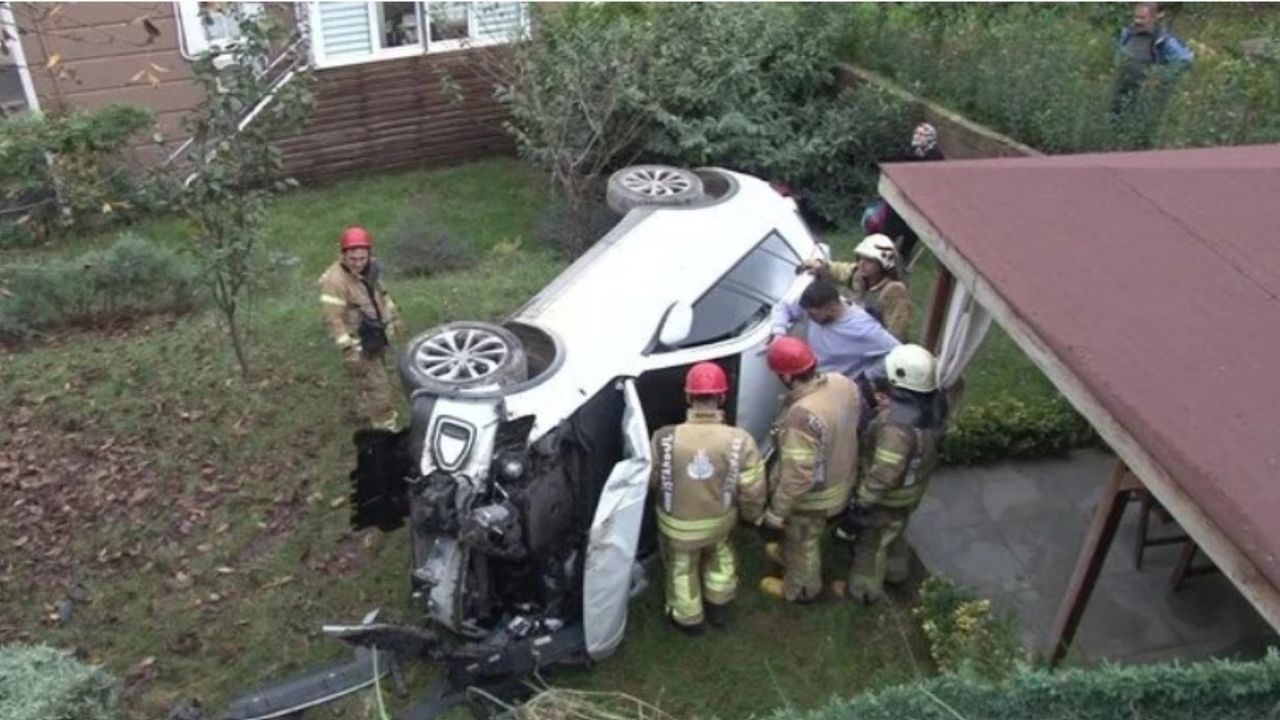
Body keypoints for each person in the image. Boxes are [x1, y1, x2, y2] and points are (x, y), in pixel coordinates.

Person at [649, 362, 767, 633]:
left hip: (676, 526)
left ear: (689, 397)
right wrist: (752, 516)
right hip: (719, 523)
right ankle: (719, 607)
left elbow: (653, 480)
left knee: (681, 568)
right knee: (721, 558)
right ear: (722, 397)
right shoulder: (739, 439)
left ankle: (688, 619)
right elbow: (752, 487)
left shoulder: (664, 437)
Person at [758, 337, 861, 603]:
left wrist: (775, 514)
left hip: (813, 498)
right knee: (803, 538)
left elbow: (797, 476)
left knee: (803, 542)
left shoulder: (802, 415)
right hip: (843, 481)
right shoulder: (842, 383)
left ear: (788, 377)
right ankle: (786, 554)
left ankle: (802, 589)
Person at [843, 344, 947, 605]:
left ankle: (864, 591)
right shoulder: (935, 404)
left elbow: (884, 473)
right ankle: (896, 572)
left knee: (872, 543)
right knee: (896, 531)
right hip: (913, 490)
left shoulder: (895, 428)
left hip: (889, 496)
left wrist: (861, 502)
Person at [318, 226, 407, 430]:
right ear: (343, 255)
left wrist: (393, 317)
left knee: (372, 379)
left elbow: (382, 294)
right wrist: (349, 350)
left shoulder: (371, 267)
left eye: (362, 258)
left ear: (369, 254)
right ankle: (385, 428)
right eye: (352, 259)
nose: (358, 263)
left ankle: (364, 410)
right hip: (361, 343)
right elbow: (333, 319)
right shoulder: (334, 281)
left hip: (378, 334)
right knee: (379, 387)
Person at [770, 275, 900, 385]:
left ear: (832, 308)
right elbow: (783, 306)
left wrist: (866, 377)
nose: (808, 318)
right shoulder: (812, 306)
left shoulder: (864, 329)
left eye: (813, 315)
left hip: (838, 387)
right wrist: (778, 333)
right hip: (813, 377)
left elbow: (898, 353)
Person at [863, 122, 945, 264]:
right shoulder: (909, 151)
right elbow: (895, 162)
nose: (917, 137)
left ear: (930, 138)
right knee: (889, 230)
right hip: (900, 199)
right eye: (916, 133)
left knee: (911, 233)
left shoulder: (935, 156)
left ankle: (902, 259)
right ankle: (880, 259)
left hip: (919, 203)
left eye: (921, 135)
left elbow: (930, 176)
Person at [805, 234, 912, 342]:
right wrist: (820, 266)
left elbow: (897, 332)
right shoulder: (858, 275)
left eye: (869, 260)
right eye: (860, 258)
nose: (861, 264)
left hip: (875, 342)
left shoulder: (894, 290)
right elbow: (839, 270)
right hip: (856, 333)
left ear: (883, 264)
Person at [1111, 2, 1194, 138]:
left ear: (1154, 18)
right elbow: (1119, 55)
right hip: (1123, 89)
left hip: (1146, 94)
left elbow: (1185, 60)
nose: (1137, 21)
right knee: (1115, 126)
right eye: (1136, 17)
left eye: (1142, 18)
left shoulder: (1163, 40)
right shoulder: (1127, 34)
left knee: (1140, 131)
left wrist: (1161, 77)